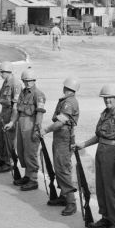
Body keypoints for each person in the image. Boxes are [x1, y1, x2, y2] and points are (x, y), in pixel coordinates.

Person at [72, 84, 115, 228]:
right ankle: (106, 217)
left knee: (113, 190)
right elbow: (99, 136)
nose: (107, 101)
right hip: (101, 153)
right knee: (101, 187)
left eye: (110, 98)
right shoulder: (105, 114)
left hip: (113, 155)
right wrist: (83, 144)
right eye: (105, 98)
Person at [41, 77, 80, 216]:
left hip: (64, 138)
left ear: (66, 88)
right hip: (61, 137)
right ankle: (64, 197)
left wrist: (45, 130)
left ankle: (71, 202)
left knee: (63, 169)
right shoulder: (68, 101)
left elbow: (59, 123)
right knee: (59, 167)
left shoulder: (69, 103)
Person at [5, 68, 46, 190]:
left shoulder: (38, 95)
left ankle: (33, 180)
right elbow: (18, 110)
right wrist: (12, 122)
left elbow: (39, 113)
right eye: (25, 81)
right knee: (22, 151)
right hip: (21, 123)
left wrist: (36, 129)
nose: (27, 83)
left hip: (31, 124)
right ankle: (27, 176)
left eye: (29, 80)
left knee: (30, 153)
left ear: (34, 80)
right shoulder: (23, 93)